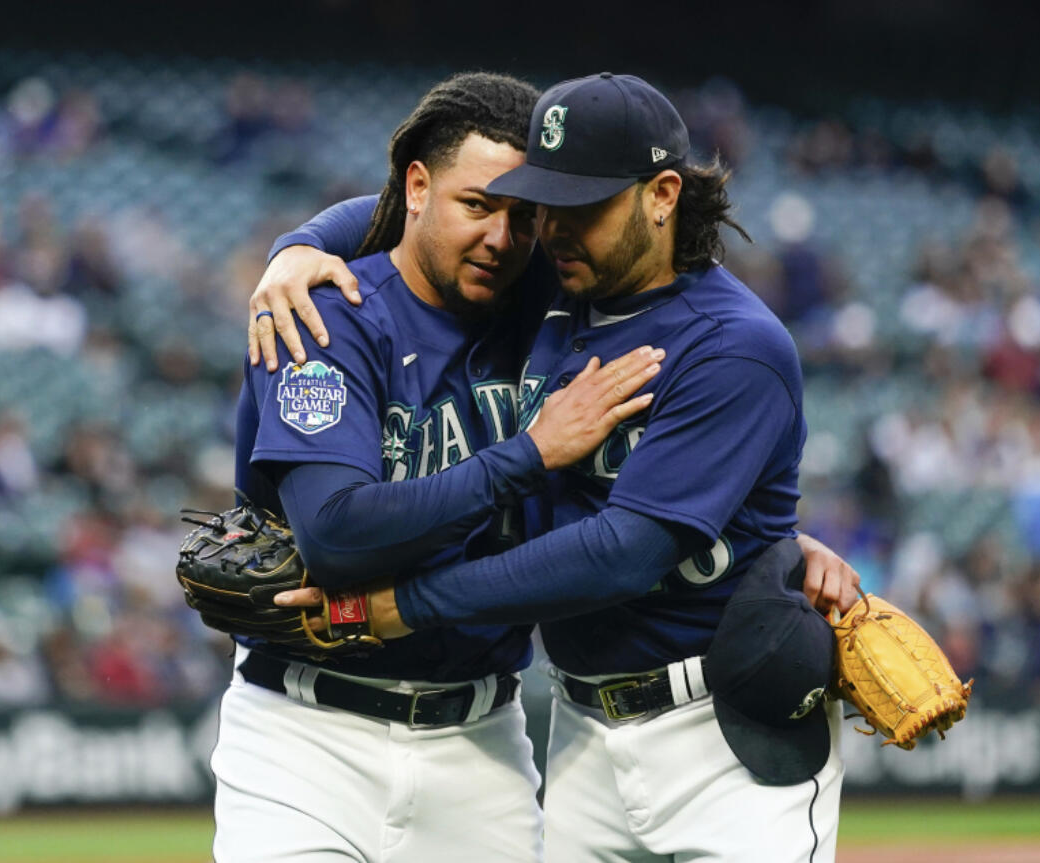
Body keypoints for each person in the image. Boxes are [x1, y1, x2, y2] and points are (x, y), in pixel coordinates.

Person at [257, 73, 854, 863]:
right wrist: (298, 247)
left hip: (724, 728)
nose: (553, 229)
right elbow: (427, 207)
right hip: (578, 740)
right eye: (547, 204)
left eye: (585, 205)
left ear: (663, 194)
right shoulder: (553, 282)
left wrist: (410, 602)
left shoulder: (734, 342)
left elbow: (623, 553)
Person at [215, 71, 670, 863]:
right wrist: (528, 454)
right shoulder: (328, 313)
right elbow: (336, 537)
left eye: (524, 216)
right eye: (477, 205)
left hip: (483, 745)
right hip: (307, 740)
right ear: (417, 188)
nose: (501, 235)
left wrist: (780, 543)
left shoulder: (546, 303)